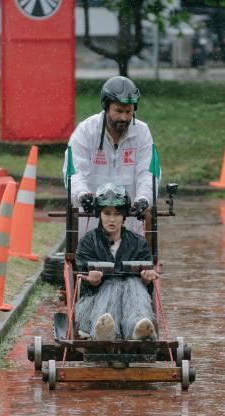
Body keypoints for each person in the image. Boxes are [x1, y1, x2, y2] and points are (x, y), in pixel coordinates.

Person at [62, 76, 159, 237]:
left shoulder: (142, 133)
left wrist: (144, 199)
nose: (124, 117)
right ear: (106, 107)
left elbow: (148, 173)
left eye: (128, 112)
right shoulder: (86, 131)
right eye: (119, 111)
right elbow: (74, 171)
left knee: (135, 258)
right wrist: (82, 195)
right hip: (91, 222)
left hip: (131, 222)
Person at [74, 183, 159, 341]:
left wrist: (147, 280)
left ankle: (138, 326)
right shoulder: (87, 242)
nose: (112, 219)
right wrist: (91, 280)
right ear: (100, 214)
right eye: (107, 213)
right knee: (111, 285)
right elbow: (81, 283)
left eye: (117, 214)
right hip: (95, 302)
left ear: (124, 216)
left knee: (132, 284)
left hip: (132, 301)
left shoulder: (139, 243)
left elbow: (148, 288)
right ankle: (104, 329)